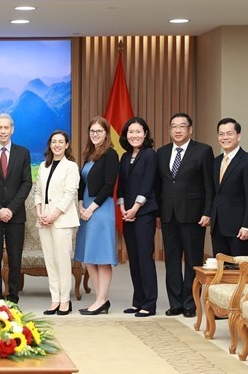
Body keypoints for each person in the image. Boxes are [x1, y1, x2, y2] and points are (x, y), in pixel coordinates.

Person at [156, 112, 214, 318]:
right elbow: (159, 186)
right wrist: (157, 214)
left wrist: (208, 211)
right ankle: (175, 303)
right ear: (170, 130)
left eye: (182, 126)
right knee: (171, 261)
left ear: (190, 129)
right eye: (174, 126)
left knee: (192, 261)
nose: (178, 130)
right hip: (168, 215)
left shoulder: (203, 151)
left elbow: (209, 185)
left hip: (194, 215)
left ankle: (190, 302)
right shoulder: (161, 153)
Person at [0, 113, 32, 304]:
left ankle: (13, 296)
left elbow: (27, 183)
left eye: (6, 127)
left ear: (12, 129)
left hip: (16, 215)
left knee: (15, 257)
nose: (3, 131)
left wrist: (10, 209)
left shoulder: (23, 153)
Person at [74, 116, 119, 316]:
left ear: (106, 133)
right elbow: (82, 184)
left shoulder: (110, 155)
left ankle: (102, 300)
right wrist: (81, 205)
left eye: (99, 131)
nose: (95, 135)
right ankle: (100, 300)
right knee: (89, 257)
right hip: (86, 209)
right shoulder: (90, 154)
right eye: (92, 131)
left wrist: (91, 208)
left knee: (102, 257)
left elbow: (109, 185)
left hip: (101, 209)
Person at [34, 130, 80, 315]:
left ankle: (65, 301)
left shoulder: (71, 167)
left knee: (62, 261)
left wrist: (53, 216)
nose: (57, 145)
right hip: (44, 220)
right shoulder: (44, 167)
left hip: (61, 220)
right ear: (50, 145)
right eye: (54, 142)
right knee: (50, 262)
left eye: (61, 142)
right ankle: (54, 299)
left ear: (67, 145)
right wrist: (39, 213)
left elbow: (70, 194)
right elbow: (38, 191)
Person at [117, 117, 159, 317]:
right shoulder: (125, 157)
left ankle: (149, 304)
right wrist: (124, 208)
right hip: (128, 214)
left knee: (144, 257)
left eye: (138, 132)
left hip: (144, 213)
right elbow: (122, 186)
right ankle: (138, 301)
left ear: (145, 134)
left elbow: (148, 184)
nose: (134, 135)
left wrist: (135, 208)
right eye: (130, 132)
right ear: (126, 135)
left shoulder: (150, 154)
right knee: (133, 258)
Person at [210, 118, 248, 257]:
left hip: (239, 228)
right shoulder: (216, 161)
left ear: (238, 136)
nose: (225, 137)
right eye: (221, 134)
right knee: (221, 271)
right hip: (218, 226)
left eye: (229, 133)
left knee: (240, 272)